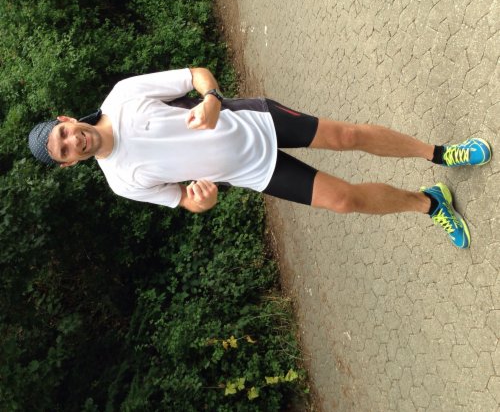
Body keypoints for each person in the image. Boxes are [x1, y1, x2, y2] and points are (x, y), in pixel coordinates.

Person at [29, 67, 491, 249]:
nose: (73, 142)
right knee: (344, 201)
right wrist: (203, 202)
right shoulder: (121, 182)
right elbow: (184, 201)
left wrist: (211, 99)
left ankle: (440, 154)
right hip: (253, 171)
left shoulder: (122, 97)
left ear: (66, 119)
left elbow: (196, 75)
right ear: (69, 164)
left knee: (347, 135)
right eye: (64, 151)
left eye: (64, 133)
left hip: (256, 122)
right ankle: (429, 202)